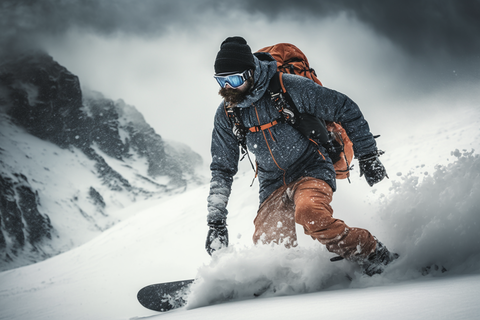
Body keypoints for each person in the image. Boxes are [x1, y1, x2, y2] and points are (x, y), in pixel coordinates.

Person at [205, 36, 398, 276]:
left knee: (309, 213)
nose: (227, 88)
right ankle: (287, 281)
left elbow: (345, 108)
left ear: (251, 72)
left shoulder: (290, 87)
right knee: (270, 254)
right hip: (272, 183)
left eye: (234, 79)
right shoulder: (227, 114)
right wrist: (216, 222)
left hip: (311, 169)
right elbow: (222, 169)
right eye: (221, 81)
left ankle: (373, 253)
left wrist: (368, 156)